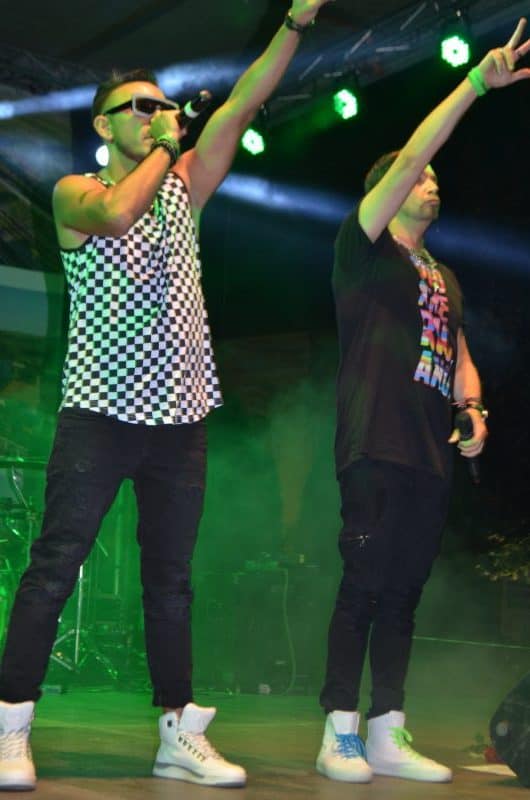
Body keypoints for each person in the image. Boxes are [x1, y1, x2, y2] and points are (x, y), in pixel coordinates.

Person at [0, 1, 331, 791]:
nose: (155, 116)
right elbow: (120, 213)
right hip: (99, 412)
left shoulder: (183, 188)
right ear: (103, 125)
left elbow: (243, 103)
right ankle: (11, 724)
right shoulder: (76, 192)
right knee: (55, 565)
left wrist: (294, 22)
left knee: (172, 581)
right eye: (138, 108)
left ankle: (176, 731)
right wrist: (165, 149)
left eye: (161, 105)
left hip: (179, 418)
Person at [316, 19, 530, 785]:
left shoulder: (442, 275)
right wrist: (474, 85)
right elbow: (412, 154)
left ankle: (386, 730)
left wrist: (475, 412)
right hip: (374, 440)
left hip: (427, 452)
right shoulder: (364, 249)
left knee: (405, 592)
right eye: (421, 177)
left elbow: (458, 353)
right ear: (393, 192)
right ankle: (339, 730)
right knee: (365, 584)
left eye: (438, 179)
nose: (432, 182)